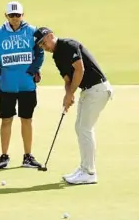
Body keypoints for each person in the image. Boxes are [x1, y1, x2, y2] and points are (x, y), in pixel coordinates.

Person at [33, 27, 113, 185]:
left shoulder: (68, 45)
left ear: (51, 36)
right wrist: (67, 95)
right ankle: (84, 168)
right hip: (88, 91)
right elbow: (68, 79)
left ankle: (89, 172)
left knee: (85, 128)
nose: (44, 47)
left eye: (44, 42)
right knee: (80, 127)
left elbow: (79, 69)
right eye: (41, 46)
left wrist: (71, 94)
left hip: (98, 89)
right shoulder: (56, 57)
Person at [0, 1, 44, 169]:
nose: (15, 18)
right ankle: (4, 155)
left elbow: (39, 53)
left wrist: (34, 70)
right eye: (12, 15)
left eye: (18, 15)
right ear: (6, 16)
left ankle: (27, 156)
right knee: (6, 119)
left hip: (27, 84)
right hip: (7, 84)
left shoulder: (32, 31)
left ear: (22, 15)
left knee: (27, 119)